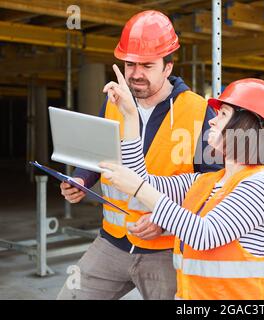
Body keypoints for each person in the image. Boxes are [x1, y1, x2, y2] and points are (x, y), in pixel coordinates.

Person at [57, 10, 221, 300]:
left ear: (168, 67)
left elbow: (212, 183)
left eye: (147, 65)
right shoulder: (113, 103)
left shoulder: (198, 110)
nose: (136, 73)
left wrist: (164, 219)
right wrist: (81, 179)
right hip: (111, 242)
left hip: (166, 248)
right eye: (130, 64)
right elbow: (99, 154)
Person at [99, 77, 264, 300]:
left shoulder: (262, 184)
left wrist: (139, 187)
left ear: (245, 125)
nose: (212, 121)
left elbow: (205, 234)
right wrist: (130, 117)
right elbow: (141, 181)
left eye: (223, 114)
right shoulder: (206, 182)